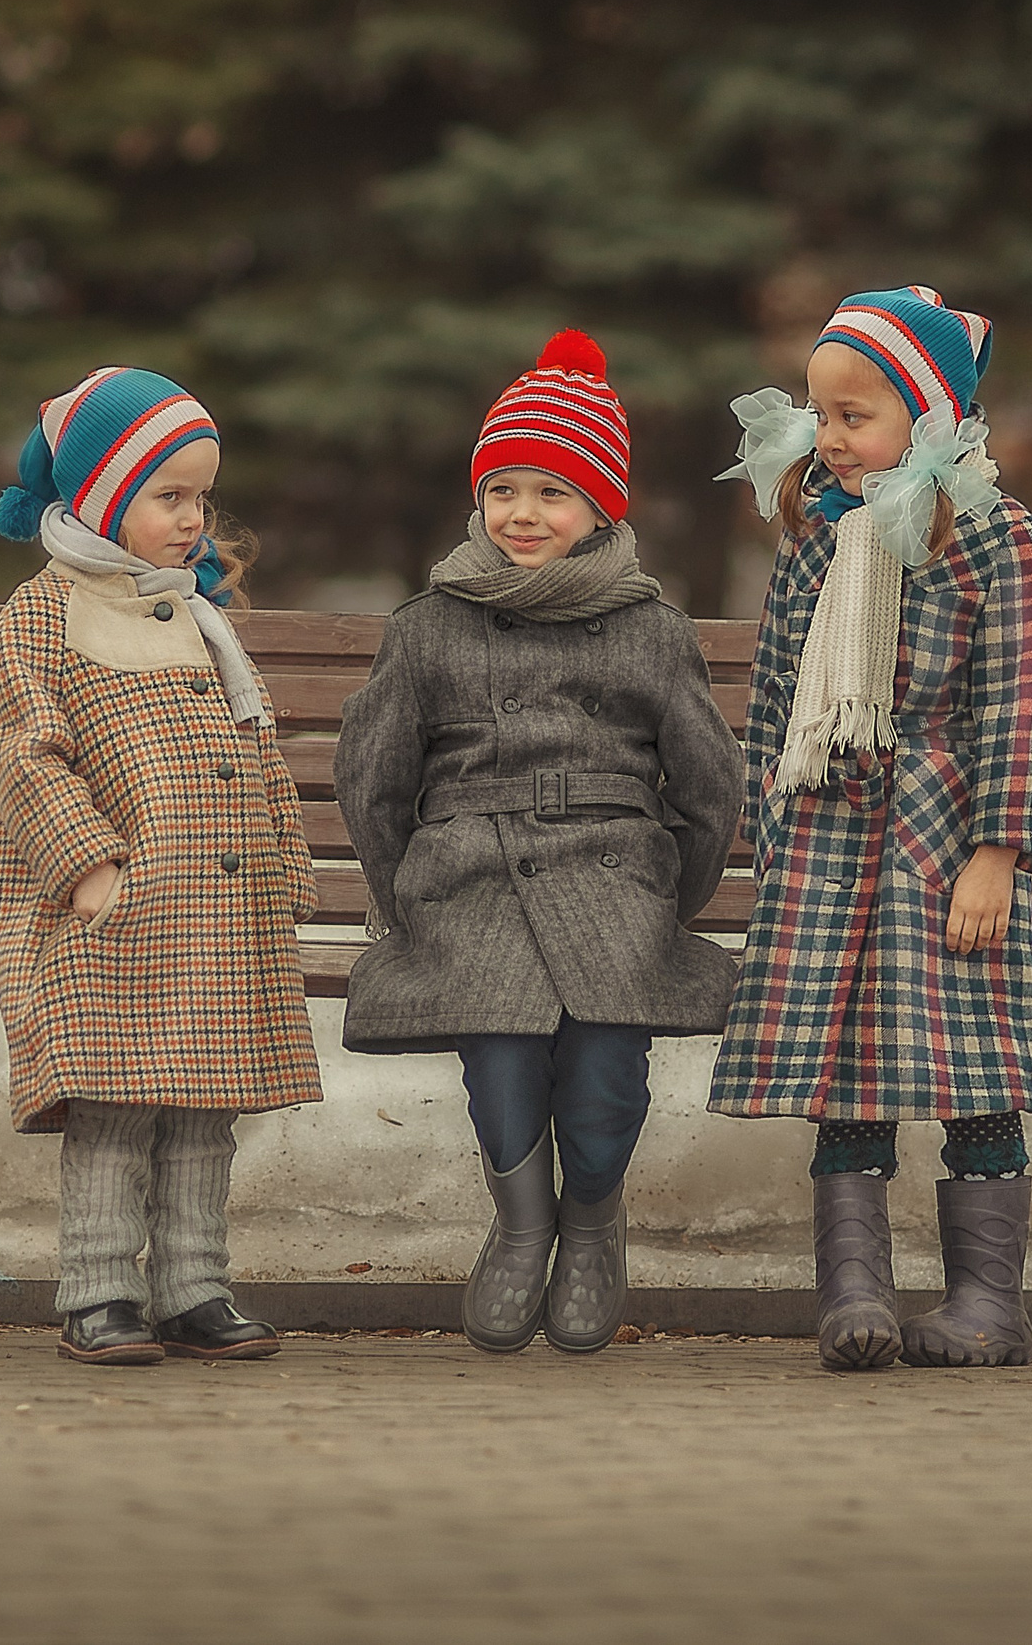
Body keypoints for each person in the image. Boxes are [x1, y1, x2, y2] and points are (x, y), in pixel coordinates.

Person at [335, 331, 743, 1356]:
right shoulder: (428, 623)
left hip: (613, 870)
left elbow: (707, 779)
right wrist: (412, 894)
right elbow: (374, 774)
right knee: (504, 1050)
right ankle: (523, 1226)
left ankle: (594, 1223)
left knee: (606, 1055)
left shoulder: (651, 628)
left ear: (602, 506)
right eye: (504, 488)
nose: (524, 513)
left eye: (554, 492)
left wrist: (664, 900)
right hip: (466, 876)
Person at [708, 287, 1032, 1371]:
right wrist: (764, 812)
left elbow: (1023, 700)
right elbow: (777, 685)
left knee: (976, 1066)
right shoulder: (821, 535)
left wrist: (997, 852)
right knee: (846, 1063)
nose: (827, 437)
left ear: (923, 414)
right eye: (822, 415)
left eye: (852, 415)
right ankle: (855, 1290)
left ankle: (984, 1300)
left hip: (943, 842)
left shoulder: (1002, 541)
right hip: (826, 835)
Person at [0, 365, 321, 1366]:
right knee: (119, 1101)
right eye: (168, 496)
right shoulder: (44, 615)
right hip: (110, 909)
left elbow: (253, 749)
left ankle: (193, 1285)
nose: (192, 520)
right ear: (99, 494)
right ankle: (97, 1287)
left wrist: (283, 866)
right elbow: (25, 753)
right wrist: (88, 866)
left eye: (200, 498)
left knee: (201, 1108)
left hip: (213, 909)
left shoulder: (194, 618)